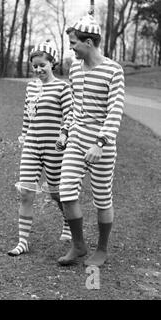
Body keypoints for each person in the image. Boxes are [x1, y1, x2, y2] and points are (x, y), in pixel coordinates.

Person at [56, 14, 125, 266]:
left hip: (101, 145)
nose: (71, 48)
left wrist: (101, 142)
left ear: (88, 41)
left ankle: (102, 249)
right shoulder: (74, 68)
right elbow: (74, 106)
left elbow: (115, 109)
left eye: (74, 43)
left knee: (102, 197)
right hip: (76, 139)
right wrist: (65, 131)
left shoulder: (113, 70)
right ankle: (79, 245)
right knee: (66, 192)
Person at [7, 40, 74, 257]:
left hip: (55, 147)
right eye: (34, 66)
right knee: (26, 192)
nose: (38, 70)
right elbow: (28, 114)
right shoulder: (31, 87)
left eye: (42, 65)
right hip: (32, 145)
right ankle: (23, 241)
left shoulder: (63, 87)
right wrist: (24, 134)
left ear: (52, 63)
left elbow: (70, 115)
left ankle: (67, 221)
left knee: (56, 193)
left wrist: (64, 134)